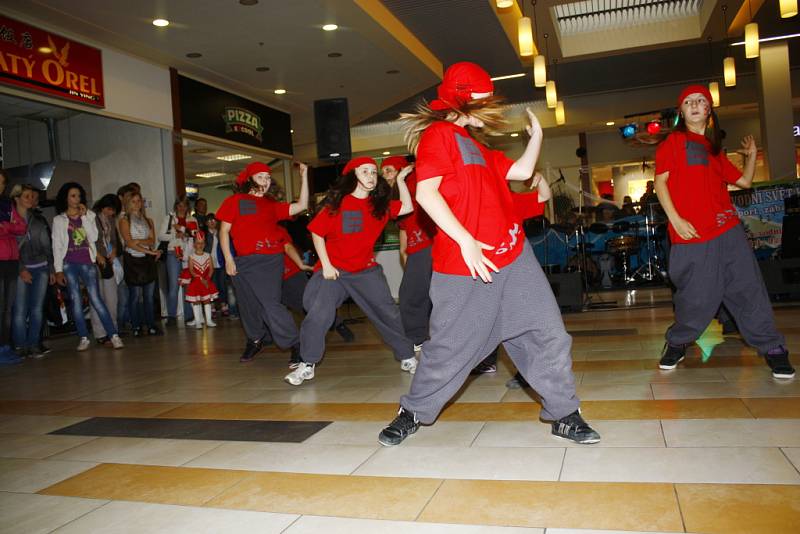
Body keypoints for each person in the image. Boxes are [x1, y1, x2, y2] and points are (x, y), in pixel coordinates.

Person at [377, 62, 600, 446]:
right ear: (462, 102)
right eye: (483, 101)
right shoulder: (439, 135)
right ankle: (413, 410)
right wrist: (465, 240)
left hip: (513, 254)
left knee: (547, 333)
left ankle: (565, 413)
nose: (489, 109)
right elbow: (426, 195)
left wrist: (537, 137)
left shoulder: (481, 149)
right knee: (450, 347)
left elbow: (522, 170)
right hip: (466, 263)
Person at [654, 85, 793, 379]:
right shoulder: (673, 142)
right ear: (681, 111)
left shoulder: (714, 149)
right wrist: (676, 220)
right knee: (696, 299)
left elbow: (743, 182)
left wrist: (752, 156)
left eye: (700, 101)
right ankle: (677, 341)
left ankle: (773, 347)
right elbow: (660, 183)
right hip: (692, 234)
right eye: (688, 102)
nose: (694, 105)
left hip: (728, 230)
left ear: (709, 110)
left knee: (749, 289)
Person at [285, 157, 416, 386]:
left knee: (388, 312)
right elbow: (317, 233)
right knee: (318, 313)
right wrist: (326, 264)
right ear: (353, 175)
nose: (371, 176)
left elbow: (407, 207)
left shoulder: (379, 206)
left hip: (365, 271)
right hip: (334, 270)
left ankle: (407, 355)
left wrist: (402, 180)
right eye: (365, 171)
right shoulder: (337, 204)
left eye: (374, 172)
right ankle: (307, 364)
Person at [217, 161, 309, 363]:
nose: (266, 181)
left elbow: (302, 206)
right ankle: (256, 339)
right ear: (249, 179)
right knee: (248, 304)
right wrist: (229, 259)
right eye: (261, 177)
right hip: (242, 262)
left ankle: (296, 343)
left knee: (270, 304)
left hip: (269, 260)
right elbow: (223, 231)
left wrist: (304, 177)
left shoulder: (271, 205)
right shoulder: (235, 201)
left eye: (268, 178)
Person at [472, 172, 551, 375]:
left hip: (514, 272)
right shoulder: (472, 206)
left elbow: (543, 196)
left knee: (521, 321)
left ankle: (528, 372)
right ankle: (487, 360)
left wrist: (540, 179)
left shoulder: (511, 201)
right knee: (487, 320)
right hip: (486, 274)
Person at [52, 182, 123, 351]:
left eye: (79, 196)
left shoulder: (89, 215)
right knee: (76, 300)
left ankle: (113, 335)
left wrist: (84, 217)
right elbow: (56, 246)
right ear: (66, 198)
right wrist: (58, 269)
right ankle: (83, 337)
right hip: (68, 263)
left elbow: (94, 236)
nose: (77, 199)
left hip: (87, 262)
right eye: (73, 196)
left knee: (96, 298)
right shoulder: (59, 220)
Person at [395, 157, 437, 354]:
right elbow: (404, 234)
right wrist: (406, 256)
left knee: (414, 297)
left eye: (389, 170)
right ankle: (420, 337)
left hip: (428, 246)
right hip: (417, 250)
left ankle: (419, 337)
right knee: (416, 295)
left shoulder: (411, 184)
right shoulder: (399, 198)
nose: (385, 175)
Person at [11, 185, 54, 359]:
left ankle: (34, 344)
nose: (30, 199)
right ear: (17, 198)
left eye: (31, 196)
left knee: (37, 309)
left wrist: (51, 269)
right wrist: (21, 269)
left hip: (41, 267)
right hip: (21, 268)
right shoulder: (9, 221)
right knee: (20, 309)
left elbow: (48, 247)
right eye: (26, 196)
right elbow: (10, 248)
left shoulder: (37, 221)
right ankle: (20, 346)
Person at [119, 192, 161, 337]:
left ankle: (151, 325)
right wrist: (147, 250)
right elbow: (129, 242)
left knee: (149, 296)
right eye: (134, 201)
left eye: (139, 201)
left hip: (147, 260)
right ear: (128, 203)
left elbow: (152, 241)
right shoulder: (124, 220)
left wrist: (139, 242)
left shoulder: (149, 220)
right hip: (133, 260)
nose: (137, 204)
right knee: (135, 295)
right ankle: (136, 326)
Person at [1, 173, 28, 364]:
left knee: (8, 307)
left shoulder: (5, 204)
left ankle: (5, 346)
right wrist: (10, 226)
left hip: (11, 260)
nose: (1, 186)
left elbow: (21, 227)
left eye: (2, 183)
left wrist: (7, 226)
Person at [158, 196, 197, 326]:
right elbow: (160, 236)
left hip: (188, 254)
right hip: (173, 253)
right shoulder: (169, 218)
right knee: (174, 286)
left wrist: (185, 233)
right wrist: (175, 234)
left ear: (188, 207)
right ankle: (171, 316)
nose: (182, 208)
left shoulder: (192, 219)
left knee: (188, 285)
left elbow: (196, 235)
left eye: (184, 205)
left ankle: (189, 315)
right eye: (179, 205)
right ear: (176, 206)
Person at [90, 193, 122, 344]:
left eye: (114, 211)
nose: (112, 213)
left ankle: (113, 330)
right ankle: (100, 333)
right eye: (110, 209)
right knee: (97, 298)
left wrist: (114, 250)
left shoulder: (110, 220)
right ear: (104, 207)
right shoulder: (92, 217)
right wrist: (100, 255)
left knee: (111, 298)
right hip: (95, 261)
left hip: (109, 260)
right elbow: (90, 240)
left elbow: (114, 239)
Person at [179, 230, 218, 329]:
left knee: (207, 300)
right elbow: (191, 270)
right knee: (196, 301)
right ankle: (198, 321)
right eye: (197, 243)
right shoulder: (191, 257)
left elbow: (211, 269)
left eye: (201, 243)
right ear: (194, 245)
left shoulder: (208, 255)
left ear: (204, 244)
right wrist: (201, 279)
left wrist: (207, 279)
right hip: (196, 282)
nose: (199, 245)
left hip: (207, 281)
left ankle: (208, 320)